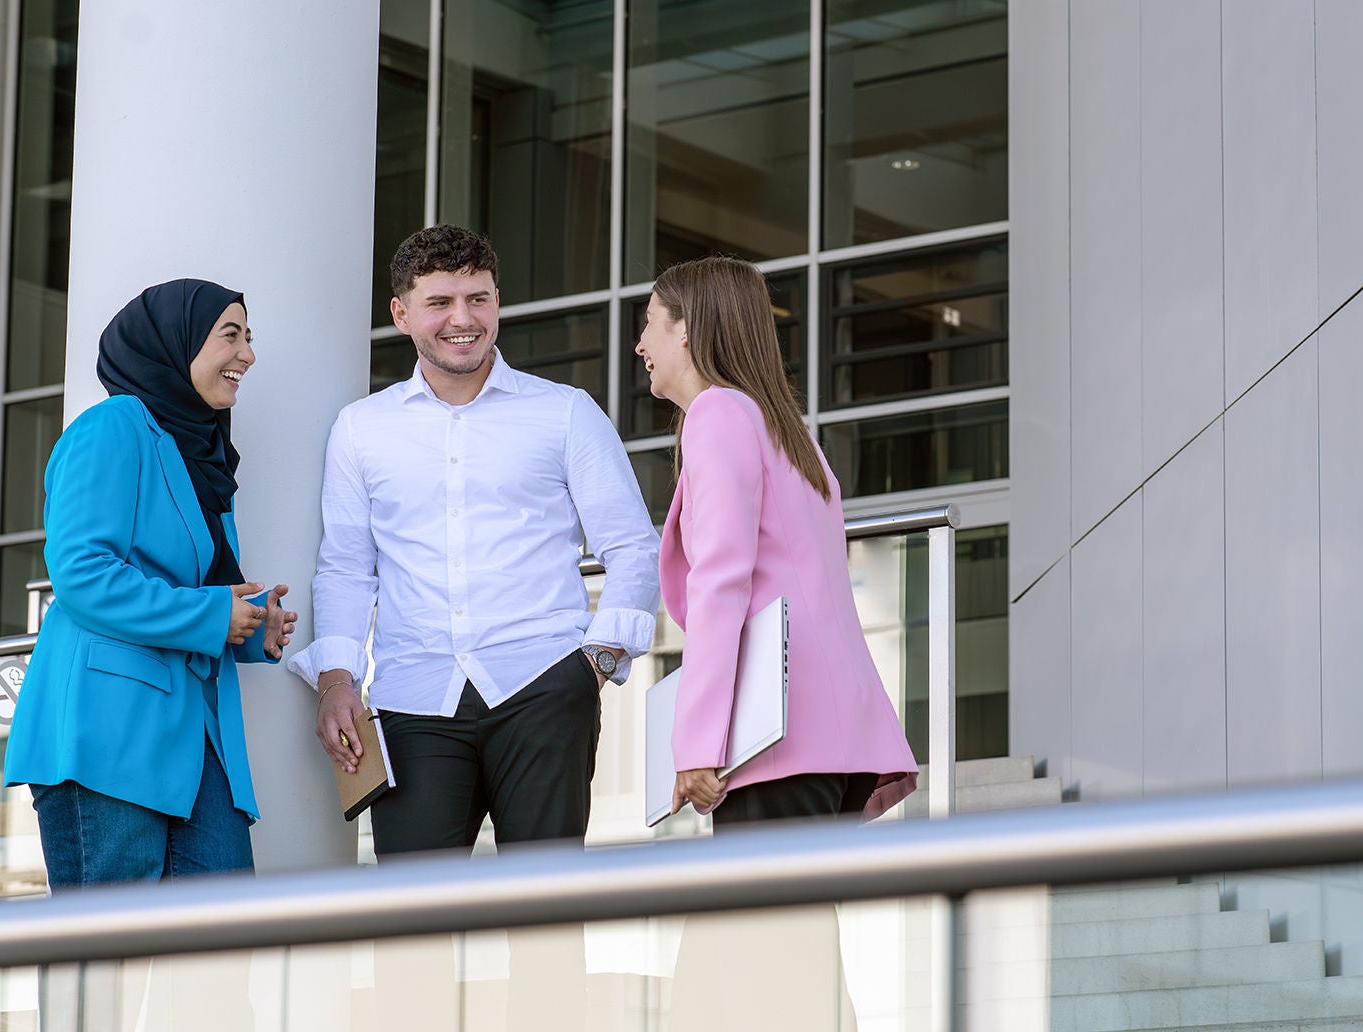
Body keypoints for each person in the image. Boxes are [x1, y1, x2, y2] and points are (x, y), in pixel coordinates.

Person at [290, 224, 660, 856]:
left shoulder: (565, 412)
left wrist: (594, 664)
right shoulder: (361, 430)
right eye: (439, 302)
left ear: (496, 302)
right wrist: (337, 682)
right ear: (401, 314)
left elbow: (631, 546)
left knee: (543, 899)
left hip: (544, 685)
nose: (462, 319)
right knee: (414, 904)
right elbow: (347, 569)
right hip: (414, 699)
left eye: (478, 299)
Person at [4, 279, 295, 888]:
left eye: (249, 338)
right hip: (108, 732)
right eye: (231, 336)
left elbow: (193, 584)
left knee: (225, 936)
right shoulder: (112, 427)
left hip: (194, 736)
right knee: (109, 944)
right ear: (175, 341)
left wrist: (248, 623)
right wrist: (214, 616)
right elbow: (83, 574)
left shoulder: (203, 454)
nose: (247, 355)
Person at [635, 254, 917, 828]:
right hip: (832, 733)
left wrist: (697, 741)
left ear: (685, 328)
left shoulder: (717, 414)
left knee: (762, 891)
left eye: (648, 323)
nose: (640, 345)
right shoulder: (786, 429)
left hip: (775, 735)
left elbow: (721, 581)